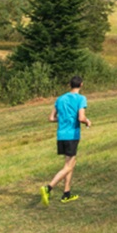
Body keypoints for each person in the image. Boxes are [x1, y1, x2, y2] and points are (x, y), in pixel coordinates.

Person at [41, 76, 91, 205]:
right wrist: (87, 121)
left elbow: (51, 118)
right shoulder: (81, 98)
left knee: (70, 164)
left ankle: (66, 193)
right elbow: (81, 117)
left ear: (70, 84)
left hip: (61, 135)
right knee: (68, 166)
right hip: (72, 135)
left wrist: (62, 119)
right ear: (81, 84)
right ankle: (48, 187)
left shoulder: (60, 99)